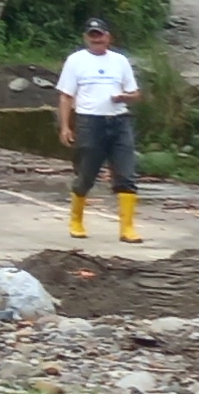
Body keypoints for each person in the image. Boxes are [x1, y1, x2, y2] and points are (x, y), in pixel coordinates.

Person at [57, 15, 147, 241]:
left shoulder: (120, 61)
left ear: (108, 37)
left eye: (100, 35)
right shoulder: (75, 61)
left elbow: (135, 94)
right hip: (90, 122)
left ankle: (127, 228)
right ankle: (76, 220)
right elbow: (66, 96)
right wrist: (65, 126)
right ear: (86, 38)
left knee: (126, 174)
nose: (96, 40)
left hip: (119, 121)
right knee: (86, 174)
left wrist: (124, 97)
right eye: (92, 36)